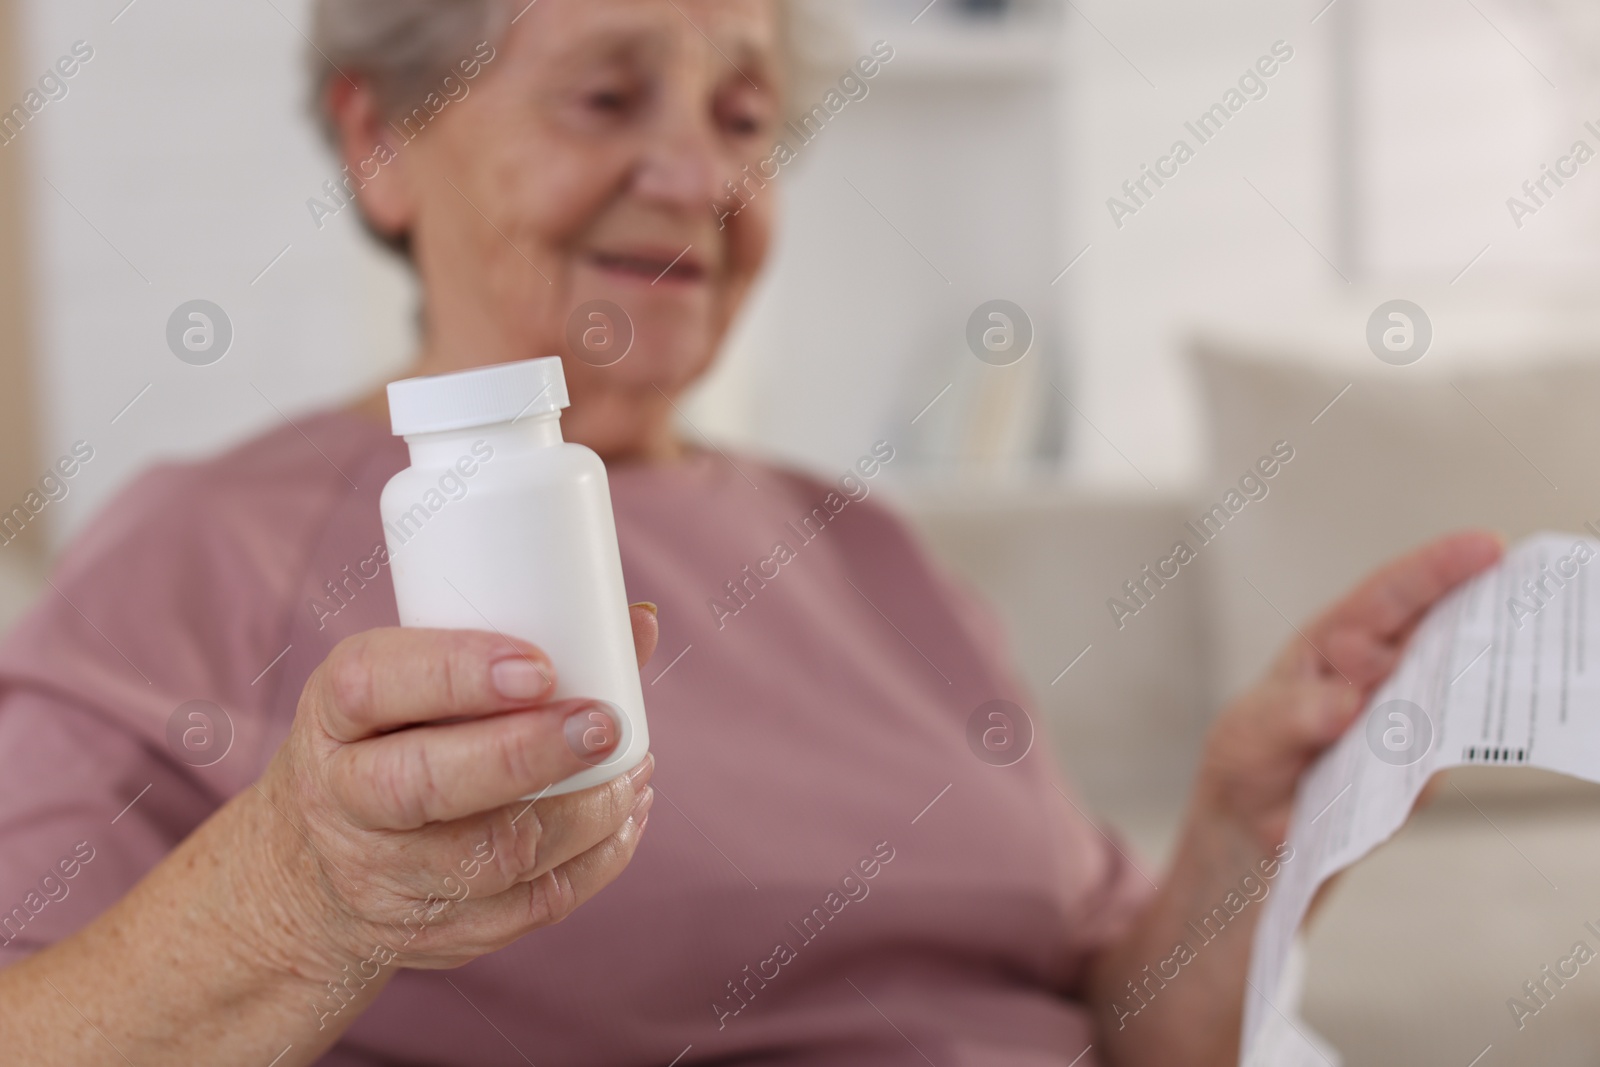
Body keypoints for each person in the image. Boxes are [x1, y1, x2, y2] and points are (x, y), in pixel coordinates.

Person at [0, 1, 1500, 1063]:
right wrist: (297, 894)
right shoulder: (205, 552)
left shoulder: (855, 545)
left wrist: (1245, 836)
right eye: (605, 95)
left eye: (744, 115)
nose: (704, 178)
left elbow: (1125, 1023)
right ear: (380, 137)